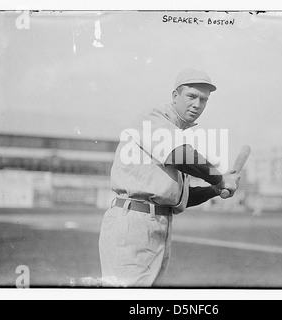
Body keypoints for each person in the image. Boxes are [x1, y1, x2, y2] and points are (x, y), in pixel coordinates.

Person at [99, 68, 241, 287]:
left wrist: (214, 190)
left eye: (203, 100)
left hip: (159, 223)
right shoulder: (153, 118)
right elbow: (181, 155)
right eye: (191, 96)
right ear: (175, 95)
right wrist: (220, 179)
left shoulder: (174, 134)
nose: (197, 104)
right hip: (133, 223)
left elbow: (179, 198)